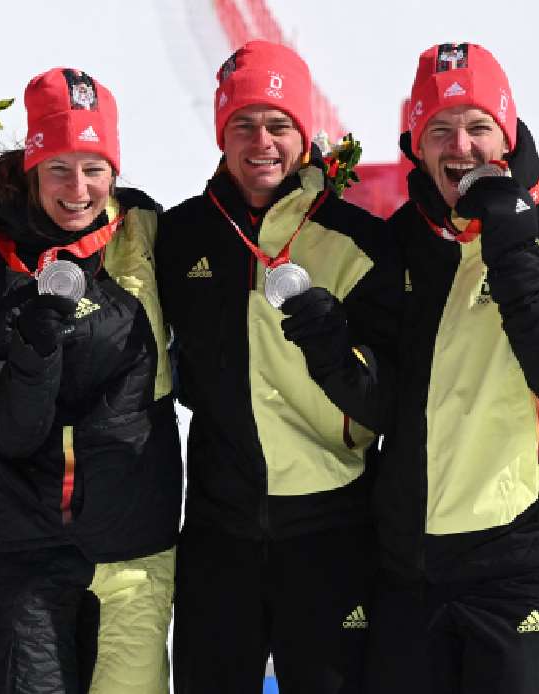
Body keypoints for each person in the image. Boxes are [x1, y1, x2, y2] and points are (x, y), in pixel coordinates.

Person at [366, 43, 539, 694]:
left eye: (480, 126)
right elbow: (378, 399)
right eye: (441, 130)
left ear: (507, 135)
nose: (463, 147)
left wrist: (512, 246)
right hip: (413, 567)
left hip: (524, 564)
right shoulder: (401, 242)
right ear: (416, 144)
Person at [156, 41, 401, 693]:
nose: (260, 141)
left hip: (332, 535)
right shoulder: (179, 237)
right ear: (220, 134)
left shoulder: (358, 241)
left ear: (304, 134)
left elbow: (387, 403)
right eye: (242, 123)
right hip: (219, 534)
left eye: (278, 124)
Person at [0, 67, 181, 693]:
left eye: (94, 167)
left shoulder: (146, 235)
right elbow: (3, 430)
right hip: (22, 545)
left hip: (135, 537)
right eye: (59, 168)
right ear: (31, 170)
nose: (79, 189)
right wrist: (34, 351)